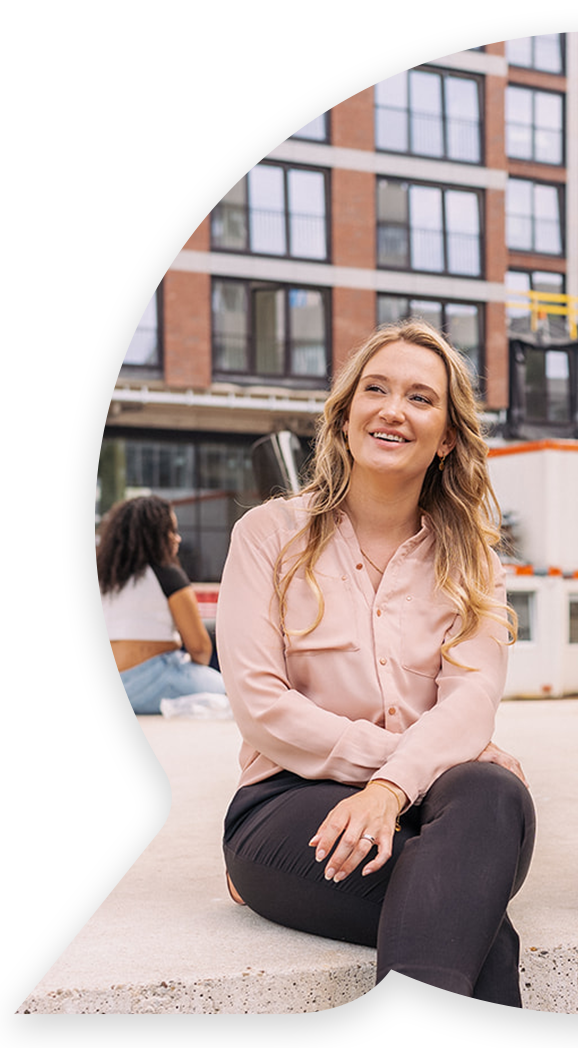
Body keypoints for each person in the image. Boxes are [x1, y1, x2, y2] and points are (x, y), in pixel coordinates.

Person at [215, 320, 535, 1006]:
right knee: (473, 920)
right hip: (288, 804)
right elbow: (258, 702)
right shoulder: (268, 534)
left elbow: (471, 700)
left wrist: (392, 790)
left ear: (448, 435)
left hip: (438, 815)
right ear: (347, 412)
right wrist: (415, 759)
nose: (393, 409)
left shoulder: (474, 560)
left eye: (420, 398)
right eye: (376, 389)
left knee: (494, 792)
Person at [97, 496, 226, 714]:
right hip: (149, 683)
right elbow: (200, 649)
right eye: (172, 531)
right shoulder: (167, 576)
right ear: (155, 536)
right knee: (229, 692)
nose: (178, 539)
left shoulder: (104, 579)